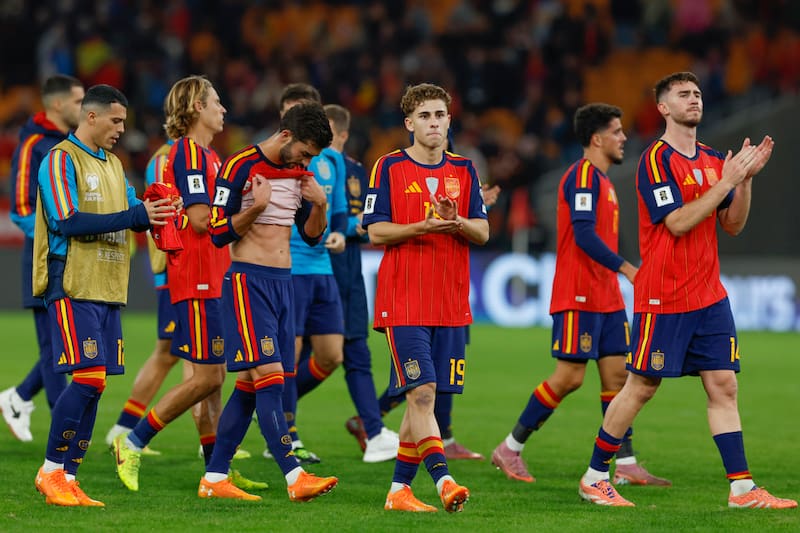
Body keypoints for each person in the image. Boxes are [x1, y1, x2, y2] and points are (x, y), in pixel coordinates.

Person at [578, 72, 796, 509]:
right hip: (665, 294)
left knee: (724, 385)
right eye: (682, 94)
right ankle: (596, 477)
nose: (693, 99)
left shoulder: (715, 159)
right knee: (641, 385)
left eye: (697, 93)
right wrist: (726, 181)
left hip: (709, 295)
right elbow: (676, 222)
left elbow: (732, 225)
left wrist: (745, 180)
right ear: (663, 107)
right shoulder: (656, 160)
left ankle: (742, 489)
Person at [490, 103, 669, 486]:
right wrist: (627, 268)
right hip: (579, 294)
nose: (623, 138)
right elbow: (584, 234)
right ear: (597, 138)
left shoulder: (604, 183)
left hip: (607, 297)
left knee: (618, 377)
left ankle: (626, 464)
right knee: (570, 377)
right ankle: (510, 447)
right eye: (617, 131)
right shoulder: (582, 177)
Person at [32, 84, 175, 507]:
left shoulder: (114, 165)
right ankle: (50, 470)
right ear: (91, 117)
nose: (121, 129)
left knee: (96, 386)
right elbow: (67, 221)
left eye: (124, 122)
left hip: (108, 285)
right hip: (72, 281)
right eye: (116, 120)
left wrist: (159, 212)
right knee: (88, 378)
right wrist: (135, 215)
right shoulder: (60, 159)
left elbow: (134, 212)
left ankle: (69, 477)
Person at [113, 75, 251, 492]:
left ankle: (216, 469)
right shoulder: (189, 153)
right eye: (216, 101)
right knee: (207, 379)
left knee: (216, 378)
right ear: (196, 107)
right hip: (196, 278)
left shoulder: (210, 157)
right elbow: (200, 220)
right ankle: (132, 442)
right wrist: (253, 211)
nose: (223, 109)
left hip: (213, 275)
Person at [196, 101, 338, 502]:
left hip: (283, 284)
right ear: (286, 135)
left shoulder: (300, 172)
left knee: (249, 385)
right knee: (271, 378)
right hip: (248, 283)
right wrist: (256, 207)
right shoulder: (240, 165)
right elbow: (217, 232)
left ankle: (214, 477)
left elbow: (311, 236)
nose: (307, 162)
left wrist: (321, 204)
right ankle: (294, 475)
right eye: (305, 153)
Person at [362, 83, 489, 513]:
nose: (433, 123)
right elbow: (375, 231)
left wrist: (456, 222)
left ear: (449, 120)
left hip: (450, 303)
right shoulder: (388, 167)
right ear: (409, 123)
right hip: (403, 299)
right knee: (422, 393)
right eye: (424, 116)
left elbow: (483, 231)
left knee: (421, 401)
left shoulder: (465, 170)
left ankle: (399, 491)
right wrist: (422, 226)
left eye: (439, 115)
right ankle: (443, 480)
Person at [0, 75, 84, 442]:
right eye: (79, 101)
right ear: (58, 104)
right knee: (56, 349)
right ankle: (63, 434)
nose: (85, 108)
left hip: (75, 259)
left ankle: (18, 397)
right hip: (43, 260)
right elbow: (20, 207)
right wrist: (58, 234)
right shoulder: (34, 144)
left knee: (67, 345)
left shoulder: (74, 144)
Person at [319, 104, 399, 463]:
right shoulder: (308, 166)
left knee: (357, 353)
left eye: (328, 133)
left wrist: (358, 226)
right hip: (316, 270)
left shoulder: (354, 170)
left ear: (343, 134)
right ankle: (279, 418)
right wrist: (354, 225)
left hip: (349, 271)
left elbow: (367, 222)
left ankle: (374, 430)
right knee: (310, 354)